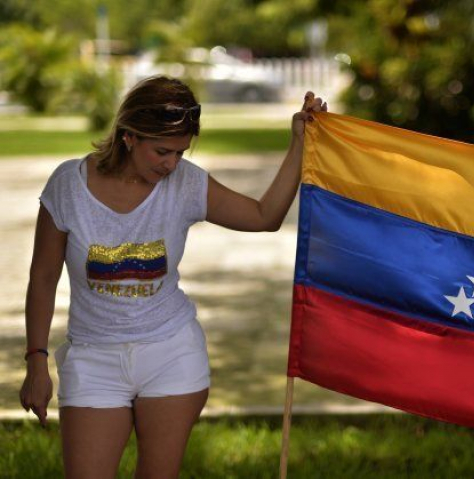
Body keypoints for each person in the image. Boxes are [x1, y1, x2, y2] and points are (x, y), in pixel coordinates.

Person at [18, 75, 327, 478]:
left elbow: (264, 216)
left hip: (171, 353)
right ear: (129, 136)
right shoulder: (68, 186)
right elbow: (43, 277)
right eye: (162, 151)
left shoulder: (186, 184)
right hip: (93, 357)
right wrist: (36, 361)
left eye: (180, 152)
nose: (171, 164)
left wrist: (299, 143)